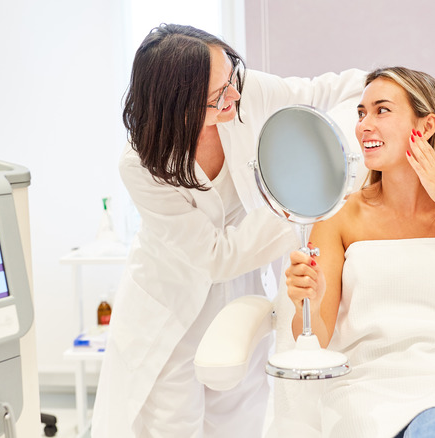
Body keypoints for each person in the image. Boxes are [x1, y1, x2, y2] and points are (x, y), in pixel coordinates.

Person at [91, 24, 366, 438]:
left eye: (231, 80)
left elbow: (321, 92)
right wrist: (297, 199)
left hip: (239, 292)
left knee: (240, 420)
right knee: (171, 423)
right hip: (170, 305)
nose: (234, 96)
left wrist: (396, 87)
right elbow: (215, 258)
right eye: (218, 96)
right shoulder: (140, 164)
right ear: (177, 108)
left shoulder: (242, 91)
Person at [284, 67, 435, 437]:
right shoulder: (340, 215)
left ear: (426, 127)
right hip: (365, 391)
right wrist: (310, 301)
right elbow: (317, 338)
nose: (364, 125)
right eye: (361, 113)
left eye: (381, 110)